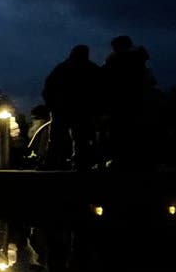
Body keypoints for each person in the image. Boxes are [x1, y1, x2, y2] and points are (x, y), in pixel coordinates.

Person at [41, 44, 103, 171]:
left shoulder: (62, 68)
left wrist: (51, 104)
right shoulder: (92, 69)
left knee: (57, 138)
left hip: (61, 108)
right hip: (82, 110)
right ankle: (81, 163)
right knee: (82, 138)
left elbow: (49, 87)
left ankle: (54, 161)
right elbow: (100, 90)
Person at [101, 35, 157, 170]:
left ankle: (120, 160)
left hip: (120, 102)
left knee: (119, 132)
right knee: (136, 131)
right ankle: (138, 159)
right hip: (138, 102)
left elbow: (107, 80)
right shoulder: (139, 60)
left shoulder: (116, 61)